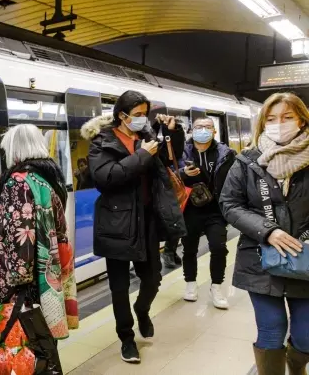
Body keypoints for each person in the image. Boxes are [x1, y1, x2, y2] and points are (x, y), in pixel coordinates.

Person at [81, 90, 185, 364]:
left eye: (145, 115)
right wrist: (141, 157)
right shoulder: (101, 143)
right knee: (119, 285)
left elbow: (173, 159)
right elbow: (106, 178)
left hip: (147, 219)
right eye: (137, 115)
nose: (142, 120)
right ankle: (126, 338)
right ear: (122, 116)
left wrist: (172, 133)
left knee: (152, 277)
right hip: (116, 222)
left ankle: (142, 309)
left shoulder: (147, 137)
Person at [219, 92, 309, 375]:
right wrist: (267, 231)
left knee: (306, 337)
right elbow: (229, 204)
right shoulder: (247, 160)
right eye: (271, 119)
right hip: (260, 261)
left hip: (306, 260)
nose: (278, 124)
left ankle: (297, 367)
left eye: (287, 117)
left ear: (302, 121)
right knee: (271, 332)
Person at [0, 124, 78, 372]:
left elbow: (21, 241)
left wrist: (11, 287)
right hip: (47, 281)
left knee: (25, 348)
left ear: (14, 151)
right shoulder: (48, 180)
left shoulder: (17, 184)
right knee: (42, 342)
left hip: (23, 286)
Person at [178, 117, 234, 308]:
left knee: (219, 247)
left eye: (208, 127)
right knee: (189, 249)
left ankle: (216, 287)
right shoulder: (182, 151)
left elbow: (233, 180)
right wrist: (183, 173)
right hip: (189, 210)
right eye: (199, 127)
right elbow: (168, 174)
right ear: (192, 131)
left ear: (214, 132)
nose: (203, 130)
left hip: (215, 210)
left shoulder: (225, 153)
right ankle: (190, 284)